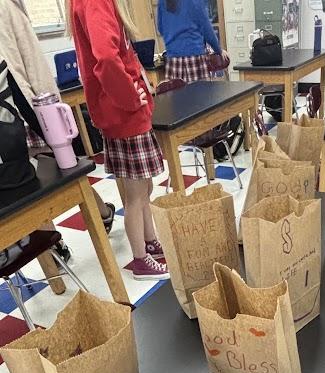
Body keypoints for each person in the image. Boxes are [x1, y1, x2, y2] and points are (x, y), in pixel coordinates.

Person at [67, 0, 170, 280]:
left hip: (120, 112)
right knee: (135, 194)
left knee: (143, 186)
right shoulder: (96, 1)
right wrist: (130, 97)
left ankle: (149, 241)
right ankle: (140, 259)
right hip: (124, 114)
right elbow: (106, 58)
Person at [0, 0, 116, 241]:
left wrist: (53, 113)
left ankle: (101, 214)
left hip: (29, 109)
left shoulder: (6, 8)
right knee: (32, 187)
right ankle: (54, 243)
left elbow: (34, 63)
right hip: (11, 121)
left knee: (66, 170)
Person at [157, 0, 228, 82]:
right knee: (201, 90)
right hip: (194, 57)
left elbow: (161, 28)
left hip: (173, 60)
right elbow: (207, 29)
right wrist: (218, 50)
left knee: (177, 90)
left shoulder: (162, 1)